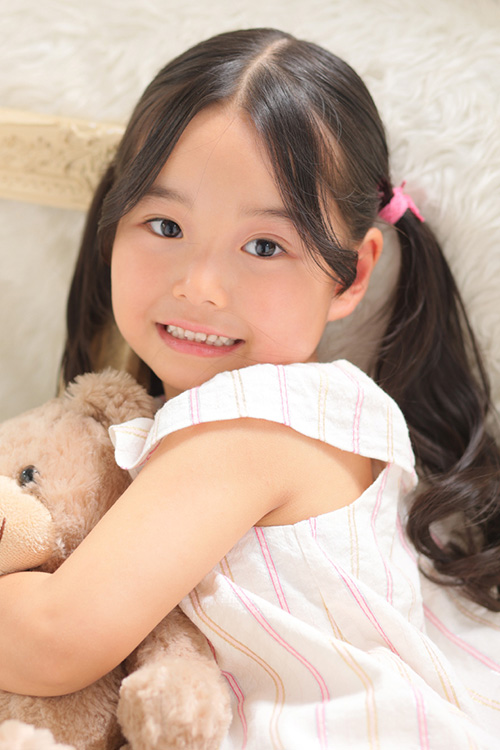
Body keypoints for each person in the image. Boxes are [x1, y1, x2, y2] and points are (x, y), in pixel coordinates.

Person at [1, 27, 500, 748]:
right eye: (165, 224)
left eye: (265, 246)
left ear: (352, 274)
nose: (200, 285)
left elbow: (54, 640)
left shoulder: (256, 425)